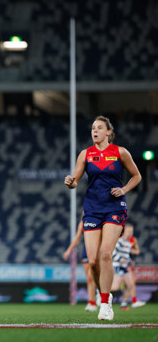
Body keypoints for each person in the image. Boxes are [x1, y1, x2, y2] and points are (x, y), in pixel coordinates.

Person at [64, 115, 142, 321]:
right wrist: (70, 181)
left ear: (108, 132)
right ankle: (102, 293)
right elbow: (75, 181)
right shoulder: (85, 154)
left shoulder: (120, 152)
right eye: (92, 128)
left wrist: (123, 189)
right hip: (92, 208)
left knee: (106, 253)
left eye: (99, 128)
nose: (94, 131)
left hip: (115, 207)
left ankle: (106, 304)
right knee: (92, 262)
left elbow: (137, 176)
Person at [63, 219, 98, 311]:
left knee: (94, 275)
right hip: (86, 251)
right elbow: (77, 238)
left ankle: (101, 295)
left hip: (97, 250)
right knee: (89, 278)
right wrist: (69, 250)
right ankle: (92, 302)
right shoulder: (83, 223)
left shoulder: (100, 219)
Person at [111, 223, 146, 310]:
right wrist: (120, 259)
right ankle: (100, 291)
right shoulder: (119, 241)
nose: (130, 233)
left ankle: (124, 304)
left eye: (131, 231)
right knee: (115, 287)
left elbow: (127, 255)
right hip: (117, 266)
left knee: (130, 284)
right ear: (124, 232)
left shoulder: (129, 243)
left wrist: (129, 261)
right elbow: (112, 253)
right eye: (129, 231)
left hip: (124, 266)